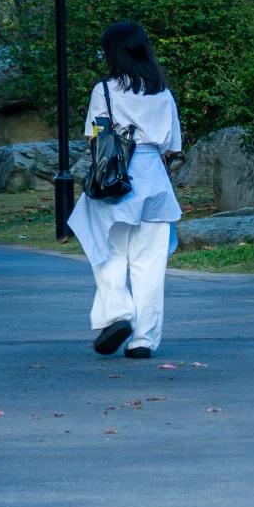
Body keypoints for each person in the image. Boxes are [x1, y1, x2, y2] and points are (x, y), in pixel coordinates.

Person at [67, 19, 182, 359]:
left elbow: (95, 137)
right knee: (150, 264)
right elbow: (172, 145)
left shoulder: (104, 90)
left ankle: (118, 312)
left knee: (107, 253)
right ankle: (143, 341)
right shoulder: (162, 91)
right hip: (154, 183)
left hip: (114, 180)